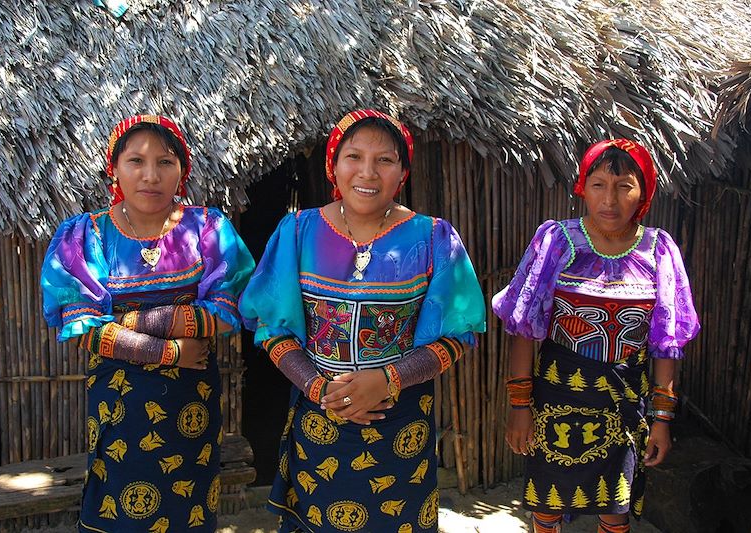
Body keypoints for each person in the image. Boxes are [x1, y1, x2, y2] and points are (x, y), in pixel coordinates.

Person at [239, 109, 486, 532]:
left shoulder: (433, 238)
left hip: (400, 429)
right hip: (320, 423)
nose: (367, 172)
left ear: (402, 171)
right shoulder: (298, 233)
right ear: (333, 165)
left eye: (385, 160)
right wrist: (320, 389)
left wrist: (385, 381)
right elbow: (272, 329)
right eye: (354, 156)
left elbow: (457, 336)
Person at [41, 114, 255, 532]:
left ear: (182, 170)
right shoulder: (89, 236)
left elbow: (229, 308)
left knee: (188, 505)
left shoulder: (207, 228)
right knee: (118, 507)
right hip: (121, 406)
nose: (151, 175)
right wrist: (169, 349)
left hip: (189, 403)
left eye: (166, 162)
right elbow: (84, 328)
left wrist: (123, 322)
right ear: (114, 168)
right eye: (136, 161)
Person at [492, 139, 700, 533]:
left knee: (615, 506)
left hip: (625, 401)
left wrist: (662, 419)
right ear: (582, 188)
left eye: (624, 186)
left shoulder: (658, 251)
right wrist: (519, 407)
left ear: (643, 192)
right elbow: (524, 331)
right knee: (547, 503)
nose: (610, 199)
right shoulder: (557, 242)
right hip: (556, 397)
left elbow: (667, 342)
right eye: (599, 184)